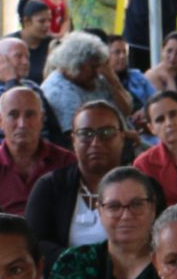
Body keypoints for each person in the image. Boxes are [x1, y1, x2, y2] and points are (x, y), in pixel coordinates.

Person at [42, 166, 166, 279]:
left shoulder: (172, 261)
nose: (126, 215)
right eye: (114, 206)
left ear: (152, 207)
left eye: (137, 204)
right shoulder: (75, 259)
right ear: (99, 210)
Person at [23, 101, 129, 262]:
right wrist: (80, 264)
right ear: (73, 140)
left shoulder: (142, 188)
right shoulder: (50, 186)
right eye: (85, 133)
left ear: (122, 137)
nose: (96, 142)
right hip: (64, 276)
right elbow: (32, 243)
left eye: (106, 132)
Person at [0, 86, 72, 213]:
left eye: (30, 115)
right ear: (0, 121)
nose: (22, 124)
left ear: (41, 120)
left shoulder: (66, 163)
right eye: (13, 115)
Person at [36, 31, 135, 140]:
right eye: (93, 67)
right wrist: (123, 135)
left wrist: (112, 79)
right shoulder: (59, 90)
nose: (97, 73)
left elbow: (127, 110)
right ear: (76, 65)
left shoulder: (96, 79)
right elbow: (80, 136)